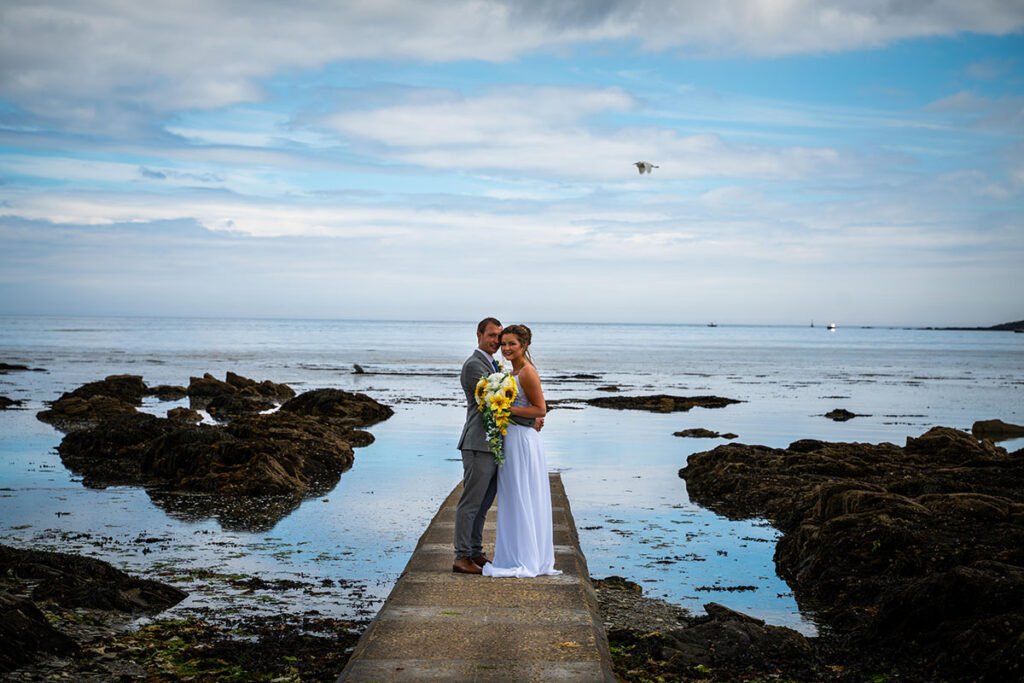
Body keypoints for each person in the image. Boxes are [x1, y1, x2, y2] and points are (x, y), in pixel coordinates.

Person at [482, 324, 561, 578]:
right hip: (511, 438)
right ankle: (515, 554)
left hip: (523, 441)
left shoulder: (527, 372)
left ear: (524, 345)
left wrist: (504, 409)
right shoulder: (509, 372)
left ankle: (527, 558)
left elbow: (540, 410)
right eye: (503, 344)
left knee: (523, 494)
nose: (505, 348)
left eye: (511, 344)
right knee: (513, 496)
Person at [453, 317, 505, 574]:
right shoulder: (474, 365)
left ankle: (475, 551)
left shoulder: (493, 363)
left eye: (499, 337)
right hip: (477, 443)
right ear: (479, 334)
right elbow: (494, 401)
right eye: (492, 335)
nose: (496, 341)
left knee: (484, 503)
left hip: (491, 444)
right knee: (471, 502)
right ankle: (461, 556)